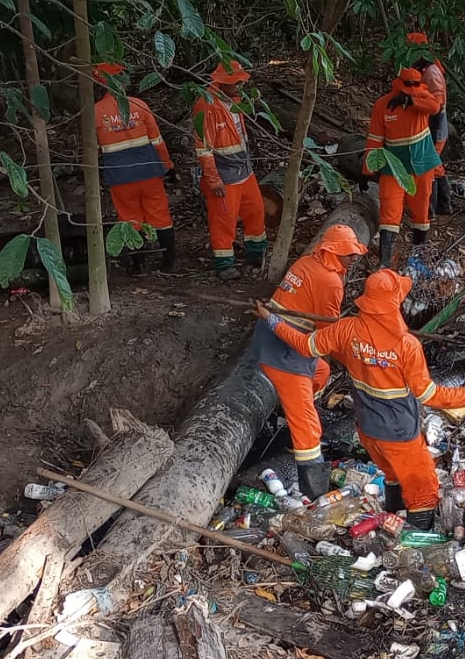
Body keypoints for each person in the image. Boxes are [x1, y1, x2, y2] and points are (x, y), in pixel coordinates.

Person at [262, 269, 465, 530]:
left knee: (393, 475)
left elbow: (306, 345)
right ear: (393, 304)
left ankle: (392, 521)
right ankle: (418, 541)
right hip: (400, 433)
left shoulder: (347, 329)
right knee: (423, 488)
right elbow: (428, 394)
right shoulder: (406, 345)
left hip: (368, 429)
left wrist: (273, 320)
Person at [252, 224, 367, 498]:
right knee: (307, 426)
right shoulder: (329, 282)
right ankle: (314, 491)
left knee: (321, 370)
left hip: (275, 336)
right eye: (348, 254)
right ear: (332, 252)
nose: (354, 258)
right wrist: (356, 360)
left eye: (355, 253)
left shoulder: (307, 262)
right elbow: (327, 332)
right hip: (284, 352)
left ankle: (288, 410)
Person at [93, 63, 178, 271]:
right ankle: (169, 262)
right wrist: (167, 165)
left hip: (120, 177)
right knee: (160, 215)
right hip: (149, 172)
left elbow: (93, 148)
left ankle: (137, 264)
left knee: (129, 218)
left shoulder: (96, 112)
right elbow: (157, 140)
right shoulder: (139, 105)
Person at [193, 61, 265, 280]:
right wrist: (214, 180)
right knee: (224, 220)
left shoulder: (234, 100)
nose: (240, 85)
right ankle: (224, 264)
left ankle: (256, 253)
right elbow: (203, 148)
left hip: (243, 169)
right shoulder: (207, 107)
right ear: (223, 82)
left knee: (256, 211)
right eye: (236, 82)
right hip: (225, 175)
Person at [363, 67, 442, 266]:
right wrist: (367, 170)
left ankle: (417, 258)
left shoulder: (423, 98)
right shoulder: (383, 105)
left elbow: (435, 106)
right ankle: (385, 264)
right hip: (393, 166)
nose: (413, 88)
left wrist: (411, 100)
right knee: (389, 211)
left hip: (422, 164)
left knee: (421, 210)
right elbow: (374, 140)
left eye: (416, 84)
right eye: (409, 85)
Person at [406, 33, 452, 216]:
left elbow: (437, 106)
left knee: (428, 168)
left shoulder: (432, 73)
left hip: (435, 128)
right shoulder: (422, 68)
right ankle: (444, 205)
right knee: (437, 166)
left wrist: (413, 103)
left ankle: (428, 210)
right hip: (430, 127)